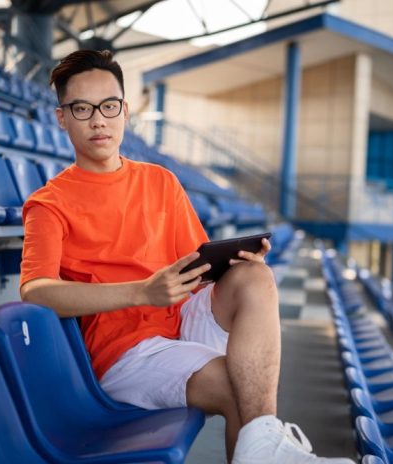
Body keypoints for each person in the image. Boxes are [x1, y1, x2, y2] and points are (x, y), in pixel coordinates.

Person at [19, 49, 355, 464]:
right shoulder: (48, 204)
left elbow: (197, 266)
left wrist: (234, 262)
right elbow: (35, 292)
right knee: (240, 389)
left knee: (256, 278)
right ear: (61, 117)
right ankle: (266, 453)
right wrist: (141, 292)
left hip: (180, 316)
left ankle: (262, 454)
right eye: (82, 109)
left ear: (125, 111)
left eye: (108, 106)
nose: (98, 120)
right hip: (125, 352)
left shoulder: (160, 181)